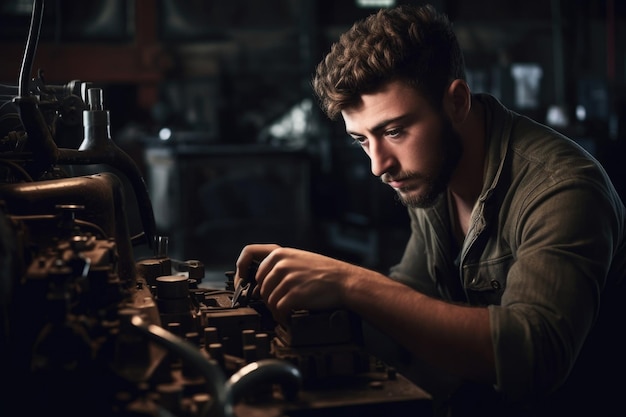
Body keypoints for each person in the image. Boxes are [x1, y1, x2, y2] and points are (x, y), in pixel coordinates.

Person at [234, 4, 626, 416]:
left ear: (456, 102)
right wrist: (297, 300)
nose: (378, 165)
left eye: (394, 131)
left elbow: (534, 356)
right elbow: (410, 296)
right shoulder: (431, 175)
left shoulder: (561, 186)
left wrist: (349, 283)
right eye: (361, 139)